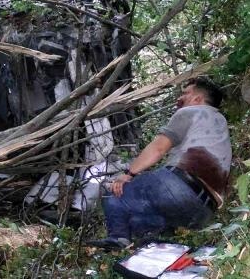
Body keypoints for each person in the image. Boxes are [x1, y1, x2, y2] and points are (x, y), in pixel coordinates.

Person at [88, 78, 231, 250]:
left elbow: (158, 148)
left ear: (197, 99)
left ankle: (117, 238)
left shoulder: (190, 112)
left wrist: (129, 174)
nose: (180, 97)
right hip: (204, 211)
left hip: (181, 186)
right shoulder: (220, 120)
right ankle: (156, 244)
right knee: (137, 219)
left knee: (114, 190)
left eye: (185, 93)